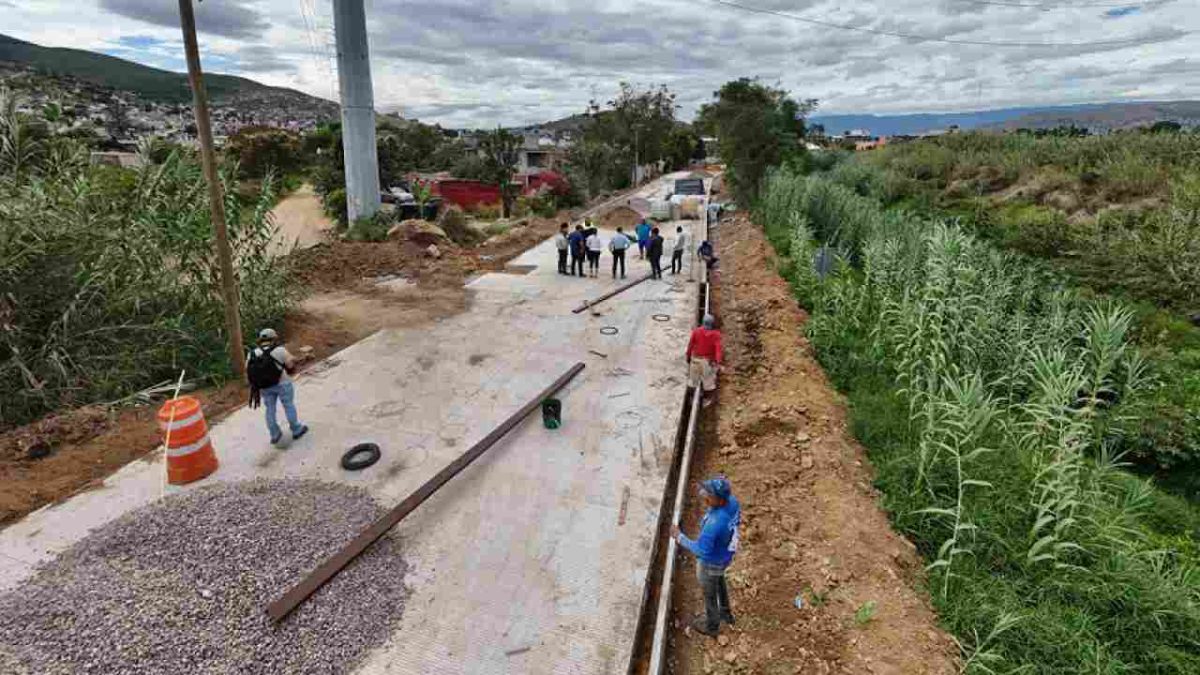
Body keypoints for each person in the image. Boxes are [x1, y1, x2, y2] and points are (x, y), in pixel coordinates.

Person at [670, 476, 741, 637]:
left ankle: (712, 625)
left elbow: (701, 551)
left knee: (710, 593)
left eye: (709, 494)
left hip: (711, 562)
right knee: (719, 581)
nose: (705, 496)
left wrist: (679, 536)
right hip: (724, 556)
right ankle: (726, 613)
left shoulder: (713, 525)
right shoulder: (732, 503)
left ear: (719, 500)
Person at [246, 328, 309, 446]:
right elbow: (290, 365)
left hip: (264, 387)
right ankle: (296, 429)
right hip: (282, 383)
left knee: (270, 409)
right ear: (274, 338)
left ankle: (274, 434)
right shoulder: (279, 350)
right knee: (288, 405)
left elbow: (248, 370)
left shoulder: (252, 353)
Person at [686, 313, 723, 406]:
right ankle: (707, 399)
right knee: (709, 382)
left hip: (695, 360)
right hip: (707, 362)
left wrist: (688, 356)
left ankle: (691, 399)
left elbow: (690, 345)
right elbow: (718, 350)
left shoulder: (696, 332)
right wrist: (718, 362)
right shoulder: (716, 335)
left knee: (693, 381)